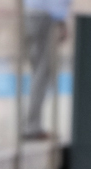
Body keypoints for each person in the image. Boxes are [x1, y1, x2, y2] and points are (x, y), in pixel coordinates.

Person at [22, 0, 69, 139]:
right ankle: (31, 127)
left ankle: (31, 124)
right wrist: (61, 20)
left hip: (32, 13)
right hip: (45, 16)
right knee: (42, 73)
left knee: (38, 72)